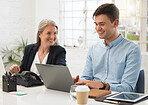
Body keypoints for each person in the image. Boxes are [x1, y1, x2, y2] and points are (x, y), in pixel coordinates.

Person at [74, 3, 142, 92]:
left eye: (102, 24)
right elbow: (86, 77)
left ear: (115, 23)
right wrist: (79, 82)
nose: (98, 28)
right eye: (96, 24)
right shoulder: (93, 49)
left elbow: (128, 88)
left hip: (117, 99)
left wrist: (103, 86)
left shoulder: (132, 50)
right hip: (93, 97)